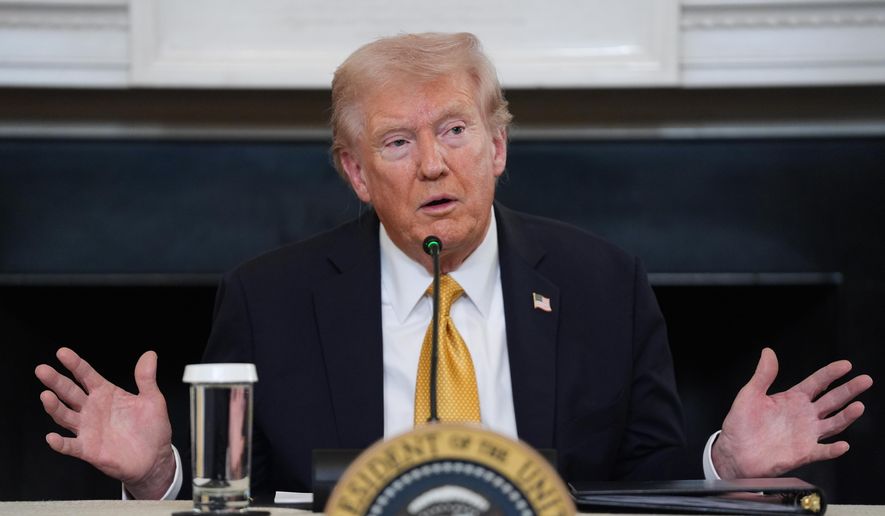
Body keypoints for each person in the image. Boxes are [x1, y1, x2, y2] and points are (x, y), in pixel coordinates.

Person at [35, 32, 872, 501]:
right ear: (357, 174)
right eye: (398, 143)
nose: (434, 165)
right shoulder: (270, 299)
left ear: (498, 146)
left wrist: (723, 468)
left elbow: (642, 490)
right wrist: (158, 472)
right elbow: (237, 497)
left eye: (457, 131)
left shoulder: (599, 284)